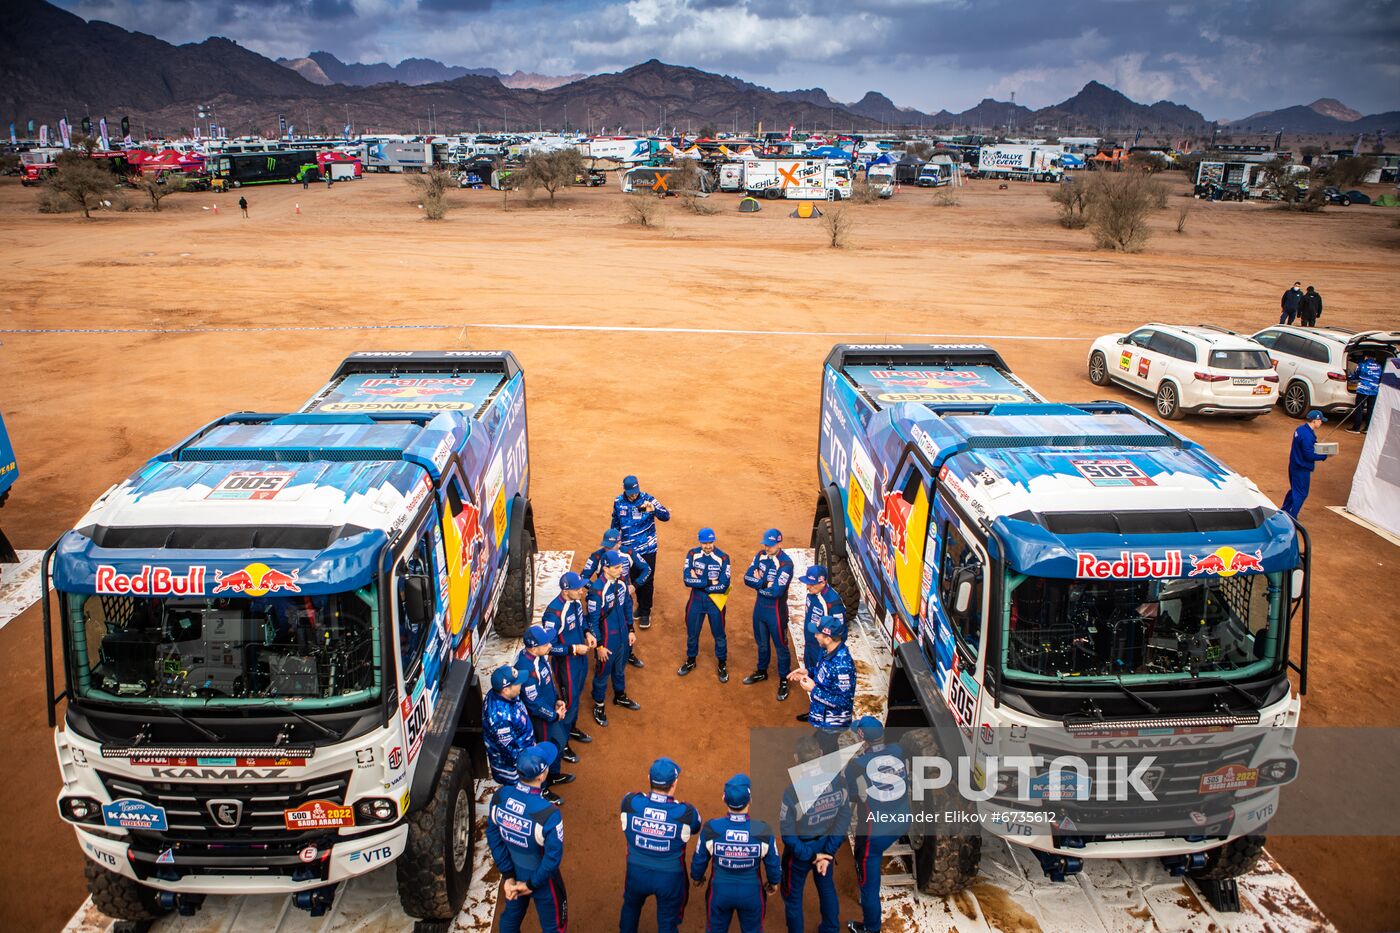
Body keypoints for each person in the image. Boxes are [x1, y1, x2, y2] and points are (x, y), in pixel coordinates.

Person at [486, 743, 568, 933]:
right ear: (541, 775)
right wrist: (531, 884)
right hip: (543, 880)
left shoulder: (500, 796)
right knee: (555, 927)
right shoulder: (549, 813)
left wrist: (508, 876)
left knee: (509, 921)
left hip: (514, 872)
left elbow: (493, 835)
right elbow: (552, 858)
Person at [619, 757, 703, 933]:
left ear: (649, 779)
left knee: (631, 907)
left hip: (636, 873)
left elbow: (630, 802)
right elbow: (696, 827)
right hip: (670, 879)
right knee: (667, 922)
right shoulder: (686, 813)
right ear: (674, 784)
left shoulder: (630, 802)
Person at [843, 717, 910, 933]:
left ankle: (871, 928)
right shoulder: (898, 750)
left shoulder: (857, 766)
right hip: (901, 822)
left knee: (869, 887)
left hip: (875, 835)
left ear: (862, 738)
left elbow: (853, 796)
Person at [690, 774, 781, 933]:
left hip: (719, 893)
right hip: (752, 894)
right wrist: (773, 882)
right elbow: (773, 863)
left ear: (724, 798)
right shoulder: (763, 831)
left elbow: (699, 859)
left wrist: (697, 877)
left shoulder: (711, 828)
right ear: (750, 799)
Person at [780, 736, 850, 933]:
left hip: (801, 852)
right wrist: (828, 852)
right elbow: (844, 818)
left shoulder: (793, 793)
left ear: (796, 759)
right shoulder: (839, 781)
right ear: (821, 754)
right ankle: (831, 929)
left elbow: (788, 835)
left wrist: (811, 856)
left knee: (793, 899)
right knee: (826, 888)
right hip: (826, 845)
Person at [515, 625, 575, 790]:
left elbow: (548, 684)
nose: (550, 645)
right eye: (546, 643)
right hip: (540, 720)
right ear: (534, 648)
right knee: (541, 754)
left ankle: (553, 775)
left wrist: (557, 700)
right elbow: (534, 705)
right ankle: (543, 788)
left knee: (559, 743)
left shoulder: (539, 657)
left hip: (551, 712)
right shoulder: (526, 669)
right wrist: (554, 715)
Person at [544, 571, 594, 756]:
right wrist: (574, 648)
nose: (581, 591)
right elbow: (550, 647)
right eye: (577, 588)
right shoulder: (554, 614)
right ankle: (561, 743)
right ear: (566, 591)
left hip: (580, 659)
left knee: (577, 697)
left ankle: (571, 728)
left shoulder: (576, 603)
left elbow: (581, 624)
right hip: (566, 665)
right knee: (567, 703)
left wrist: (588, 633)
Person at [484, 665, 553, 799]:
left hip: (524, 751)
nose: (521, 684)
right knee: (521, 797)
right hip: (513, 770)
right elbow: (509, 752)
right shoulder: (500, 717)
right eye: (517, 683)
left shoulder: (502, 694)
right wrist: (530, 768)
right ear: (505, 689)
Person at [583, 529, 649, 669]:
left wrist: (635, 586)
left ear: (619, 543)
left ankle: (628, 653)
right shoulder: (596, 556)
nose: (606, 548)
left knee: (627, 624)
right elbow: (583, 577)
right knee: (602, 626)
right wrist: (596, 590)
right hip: (604, 602)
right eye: (605, 545)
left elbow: (646, 569)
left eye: (610, 545)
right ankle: (600, 654)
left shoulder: (629, 553)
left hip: (623, 597)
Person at [742, 528, 795, 701]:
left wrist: (759, 582)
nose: (767, 547)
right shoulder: (760, 555)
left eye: (770, 545)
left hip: (776, 612)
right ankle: (762, 671)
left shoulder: (786, 564)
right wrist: (765, 582)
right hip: (760, 609)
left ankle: (784, 679)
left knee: (781, 646)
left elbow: (777, 591)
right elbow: (746, 578)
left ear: (779, 543)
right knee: (762, 643)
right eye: (765, 543)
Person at [589, 550, 640, 726]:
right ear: (605, 568)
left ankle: (620, 695)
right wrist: (600, 646)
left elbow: (627, 606)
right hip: (607, 640)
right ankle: (599, 704)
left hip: (623, 636)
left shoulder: (622, 583)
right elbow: (593, 621)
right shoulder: (597, 590)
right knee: (603, 673)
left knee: (620, 668)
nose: (621, 570)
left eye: (621, 566)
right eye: (617, 567)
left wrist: (631, 630)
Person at [790, 616, 856, 754]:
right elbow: (822, 671)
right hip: (823, 717)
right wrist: (808, 672)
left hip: (832, 723)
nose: (814, 635)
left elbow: (843, 702)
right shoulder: (827, 650)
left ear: (828, 638)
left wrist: (813, 689)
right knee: (821, 740)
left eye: (817, 633)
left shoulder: (842, 666)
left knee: (827, 752)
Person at [612, 475, 670, 628]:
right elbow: (615, 523)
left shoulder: (647, 500)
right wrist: (613, 540)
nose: (634, 495)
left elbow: (666, 516)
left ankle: (645, 611)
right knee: (635, 578)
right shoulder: (618, 502)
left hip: (648, 548)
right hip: (629, 551)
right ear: (624, 490)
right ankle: (640, 606)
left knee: (648, 579)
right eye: (631, 492)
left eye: (636, 491)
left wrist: (654, 509)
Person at [678, 527, 731, 681]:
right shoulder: (692, 554)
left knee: (719, 634)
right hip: (696, 601)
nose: (708, 546)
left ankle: (722, 663)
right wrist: (709, 582)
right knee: (692, 633)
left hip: (715, 601)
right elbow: (687, 580)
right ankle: (691, 660)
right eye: (704, 543)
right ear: (699, 541)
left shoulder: (723, 557)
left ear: (714, 540)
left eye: (710, 542)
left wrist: (699, 582)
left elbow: (724, 585)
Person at [798, 566, 846, 699]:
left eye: (812, 584)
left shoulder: (832, 603)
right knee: (810, 673)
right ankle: (813, 706)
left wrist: (829, 654)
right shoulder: (812, 593)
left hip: (821, 650)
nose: (808, 587)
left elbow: (841, 633)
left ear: (823, 582)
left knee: (822, 682)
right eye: (807, 583)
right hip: (810, 645)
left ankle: (819, 709)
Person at [1281, 410, 1329, 519]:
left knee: (1294, 489)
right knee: (1301, 493)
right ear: (1314, 420)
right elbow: (1309, 455)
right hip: (1301, 468)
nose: (1321, 423)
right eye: (1320, 420)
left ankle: (1284, 510)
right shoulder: (1307, 436)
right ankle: (1292, 516)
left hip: (1294, 465)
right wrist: (1324, 456)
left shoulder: (1300, 430)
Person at [1348, 355, 1382, 434]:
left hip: (1362, 390)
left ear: (1366, 357)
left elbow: (1355, 376)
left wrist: (1348, 376)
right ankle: (1367, 429)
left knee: (1359, 409)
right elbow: (1380, 378)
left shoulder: (1361, 365)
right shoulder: (1379, 366)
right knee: (1371, 410)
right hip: (1374, 391)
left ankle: (1356, 428)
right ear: (1374, 358)